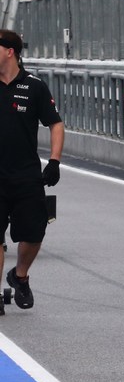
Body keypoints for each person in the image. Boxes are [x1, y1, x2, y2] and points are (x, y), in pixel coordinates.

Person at [0, 29, 64, 313]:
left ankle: (20, 276)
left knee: (34, 234)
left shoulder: (34, 86)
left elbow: (55, 124)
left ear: (9, 51)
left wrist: (54, 161)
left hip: (26, 173)